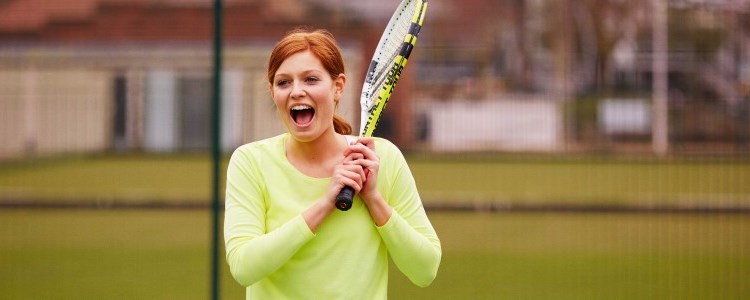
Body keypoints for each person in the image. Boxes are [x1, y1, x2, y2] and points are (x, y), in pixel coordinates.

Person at [223, 28, 442, 299]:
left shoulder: (383, 160)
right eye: (283, 83)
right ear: (272, 92)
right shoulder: (250, 162)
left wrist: (373, 198)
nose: (296, 91)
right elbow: (244, 267)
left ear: (338, 87)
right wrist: (325, 204)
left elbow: (425, 270)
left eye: (311, 79)